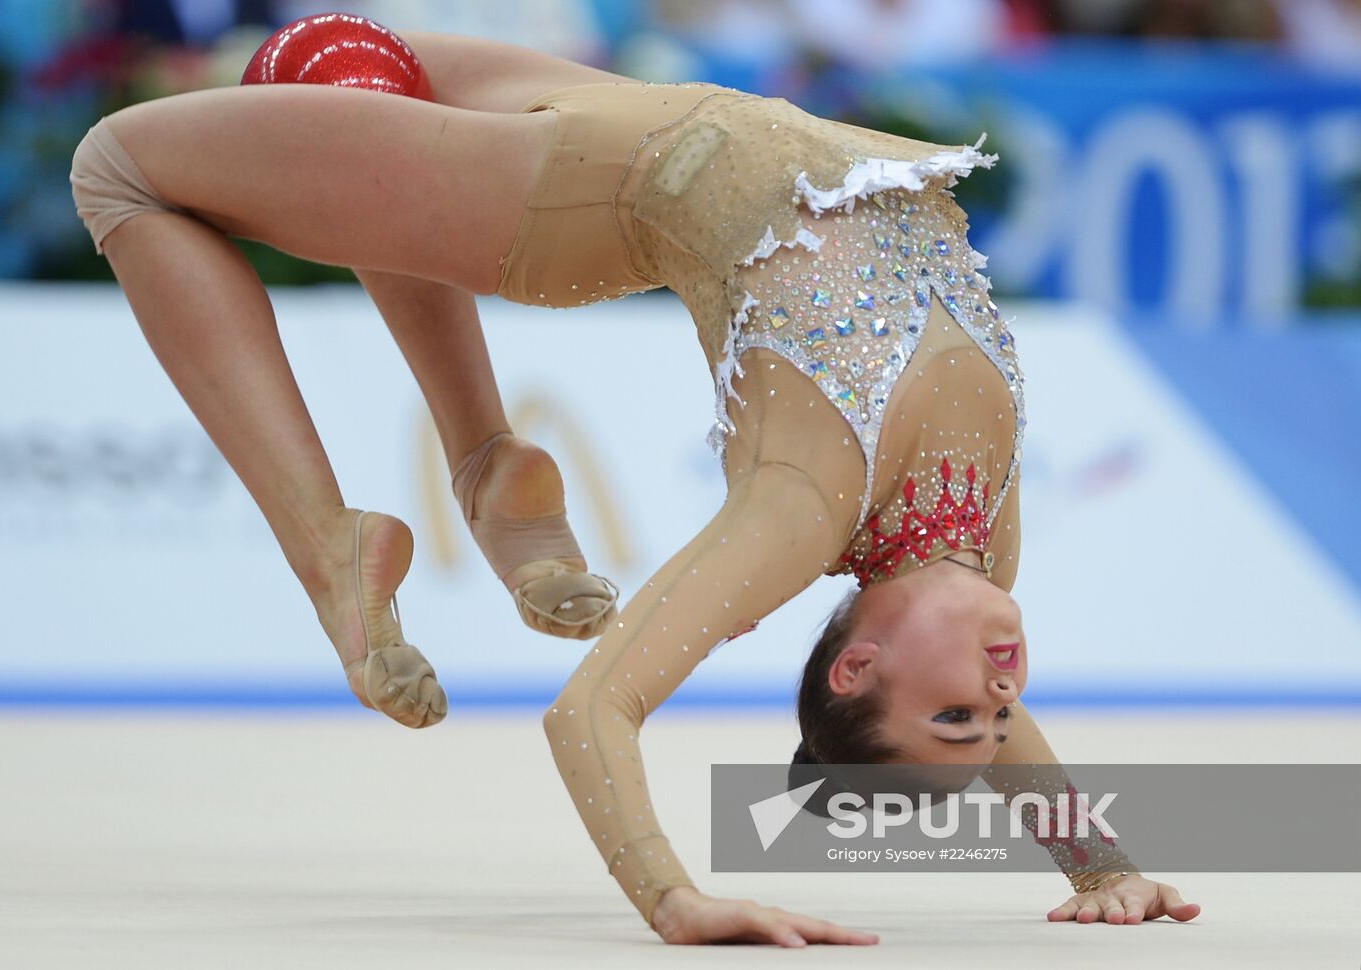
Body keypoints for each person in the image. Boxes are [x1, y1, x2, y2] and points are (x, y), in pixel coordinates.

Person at [68, 29, 1199, 945]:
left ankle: (328, 541)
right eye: (990, 718)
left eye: (956, 711)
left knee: (117, 166)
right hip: (648, 120)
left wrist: (672, 896)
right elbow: (1003, 722)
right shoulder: (971, 538)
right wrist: (1100, 865)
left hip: (580, 194)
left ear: (859, 662)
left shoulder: (799, 510)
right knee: (320, 57)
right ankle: (485, 457)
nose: (1000, 695)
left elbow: (590, 710)